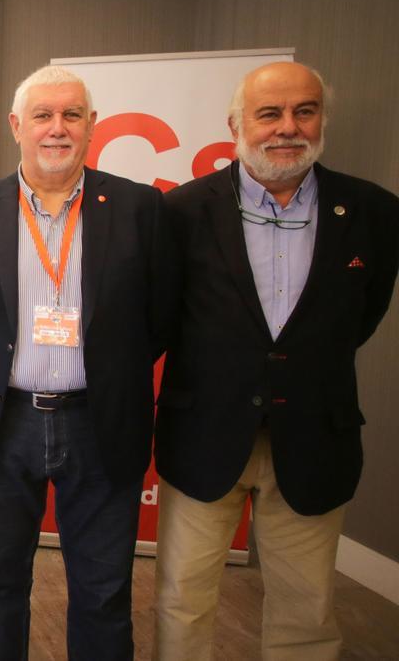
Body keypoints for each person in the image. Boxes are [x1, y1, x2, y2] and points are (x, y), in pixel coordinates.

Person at [153, 61, 399, 661]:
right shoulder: (181, 212)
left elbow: (360, 319)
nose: (287, 128)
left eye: (304, 111)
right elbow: (162, 317)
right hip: (204, 436)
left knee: (306, 607)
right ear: (237, 124)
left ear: (321, 119)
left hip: (315, 435)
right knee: (183, 599)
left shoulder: (374, 212)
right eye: (269, 113)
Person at [0, 65, 171, 660]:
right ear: (17, 126)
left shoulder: (139, 208)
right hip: (1, 423)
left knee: (103, 589)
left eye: (71, 115)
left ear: (92, 125)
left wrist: (107, 366)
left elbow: (161, 315)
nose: (57, 128)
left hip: (99, 422)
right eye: (43, 115)